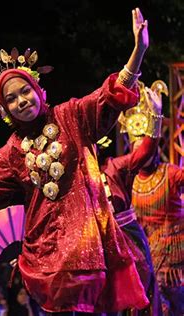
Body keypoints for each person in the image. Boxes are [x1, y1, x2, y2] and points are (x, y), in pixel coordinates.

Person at [0, 7, 150, 314]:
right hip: (43, 254)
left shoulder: (71, 116)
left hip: (85, 247)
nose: (22, 101)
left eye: (25, 92)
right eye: (12, 99)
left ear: (38, 90)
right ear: (4, 110)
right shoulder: (11, 152)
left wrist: (138, 51)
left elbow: (109, 96)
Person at [98, 82, 164, 315]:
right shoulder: (71, 178)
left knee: (139, 296)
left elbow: (145, 151)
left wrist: (156, 114)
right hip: (95, 244)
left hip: (128, 238)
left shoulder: (114, 167)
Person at [124, 83, 184, 315]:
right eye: (137, 150)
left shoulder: (171, 173)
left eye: (146, 149)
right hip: (145, 254)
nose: (142, 154)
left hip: (174, 257)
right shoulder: (129, 180)